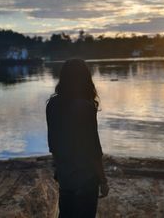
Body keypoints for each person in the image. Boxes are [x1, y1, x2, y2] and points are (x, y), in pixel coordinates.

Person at [46, 59, 109, 218]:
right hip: (86, 179)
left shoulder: (52, 105)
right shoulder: (85, 107)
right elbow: (94, 149)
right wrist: (103, 180)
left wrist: (59, 169)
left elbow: (53, 143)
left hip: (66, 177)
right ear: (85, 78)